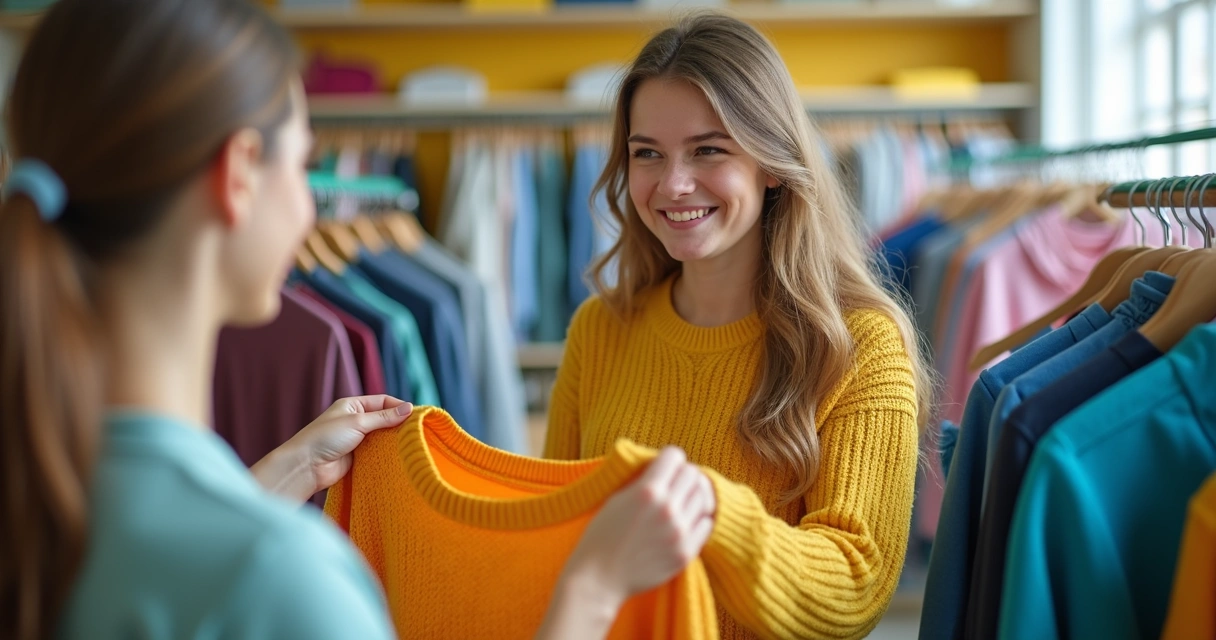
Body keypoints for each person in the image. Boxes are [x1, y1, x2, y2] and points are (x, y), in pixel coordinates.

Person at [0, 1, 715, 639]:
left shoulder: (40, 507)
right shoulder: (285, 578)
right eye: (303, 165)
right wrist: (592, 589)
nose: (309, 209)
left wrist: (285, 471)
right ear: (239, 174)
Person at [543, 13, 936, 640]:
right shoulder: (600, 329)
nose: (673, 184)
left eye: (709, 149)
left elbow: (855, 583)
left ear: (772, 162)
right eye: (648, 153)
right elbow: (554, 533)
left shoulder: (861, 346)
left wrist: (707, 509)